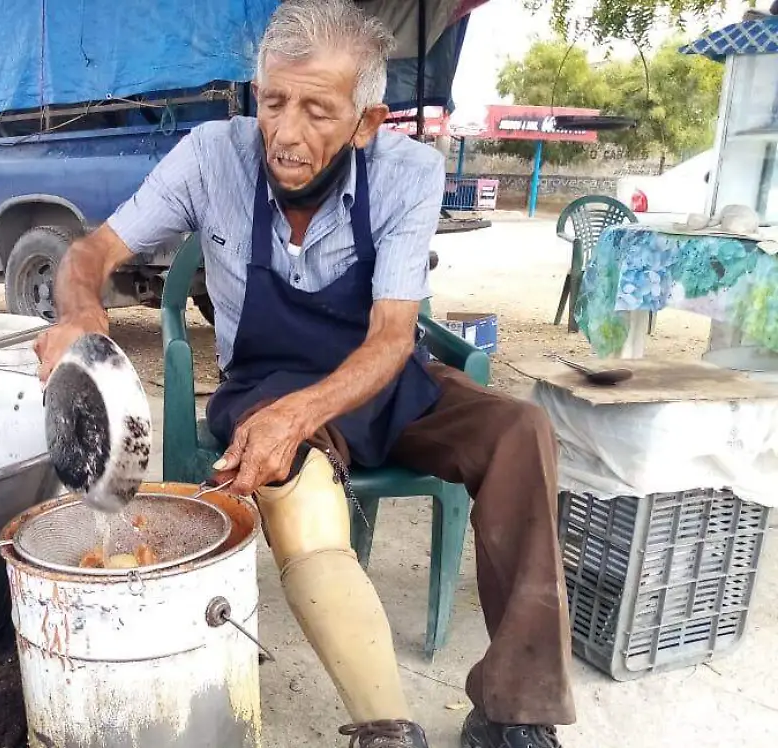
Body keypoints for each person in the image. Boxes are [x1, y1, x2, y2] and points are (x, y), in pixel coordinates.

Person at [34, 1, 575, 746]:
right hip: (265, 382)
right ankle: (387, 726)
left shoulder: (407, 172)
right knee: (300, 495)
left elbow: (391, 338)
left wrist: (306, 411)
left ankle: (517, 711)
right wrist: (78, 310)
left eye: (317, 111)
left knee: (521, 431)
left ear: (365, 122)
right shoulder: (209, 156)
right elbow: (89, 253)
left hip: (383, 378)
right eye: (273, 102)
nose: (286, 133)